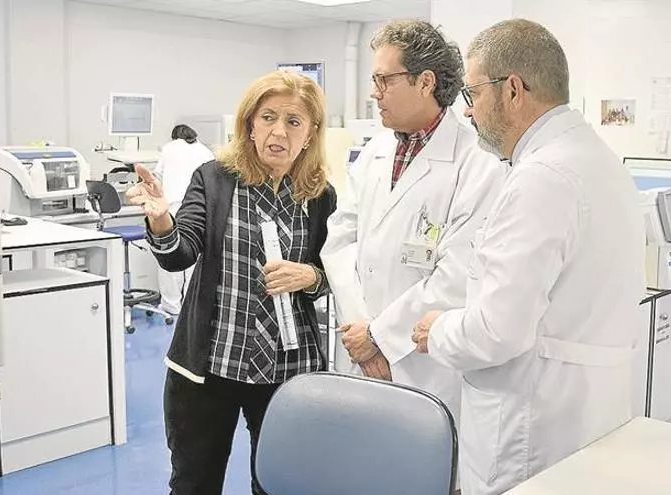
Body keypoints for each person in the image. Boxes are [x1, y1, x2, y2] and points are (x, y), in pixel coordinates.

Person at [411, 19, 645, 495]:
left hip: (531, 433)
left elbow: (497, 331)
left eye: (473, 94)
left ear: (513, 90)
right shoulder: (595, 159)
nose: (468, 110)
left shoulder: (543, 177)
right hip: (582, 417)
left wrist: (436, 330)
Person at [126, 70, 336, 495]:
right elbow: (179, 253)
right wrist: (161, 219)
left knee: (279, 485)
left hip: (287, 371)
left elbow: (336, 271)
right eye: (268, 117)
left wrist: (311, 275)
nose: (279, 131)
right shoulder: (215, 179)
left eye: (293, 121)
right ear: (250, 124)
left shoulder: (320, 196)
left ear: (310, 133)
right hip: (210, 367)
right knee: (194, 485)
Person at [321, 19, 504, 424]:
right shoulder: (374, 152)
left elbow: (458, 275)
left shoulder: (478, 163)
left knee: (422, 457)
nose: (374, 92)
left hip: (422, 364)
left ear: (425, 82)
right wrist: (361, 334)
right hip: (358, 349)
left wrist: (380, 338)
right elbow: (340, 241)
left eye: (384, 80)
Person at [151, 124, 215, 314]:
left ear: (175, 136)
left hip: (173, 206)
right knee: (193, 258)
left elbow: (156, 177)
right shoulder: (205, 151)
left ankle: (171, 305)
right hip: (199, 206)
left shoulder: (169, 148)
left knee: (172, 256)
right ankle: (190, 304)